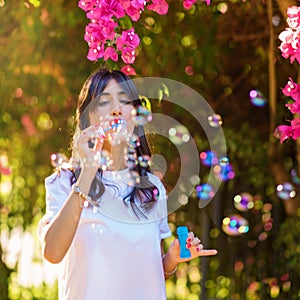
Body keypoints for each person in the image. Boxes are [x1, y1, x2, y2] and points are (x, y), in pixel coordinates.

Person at [38, 68, 217, 300]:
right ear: (87, 117)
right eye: (104, 101)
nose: (115, 109)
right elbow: (52, 252)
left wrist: (171, 259)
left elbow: (148, 272)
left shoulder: (151, 187)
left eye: (124, 101)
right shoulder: (65, 181)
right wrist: (87, 173)